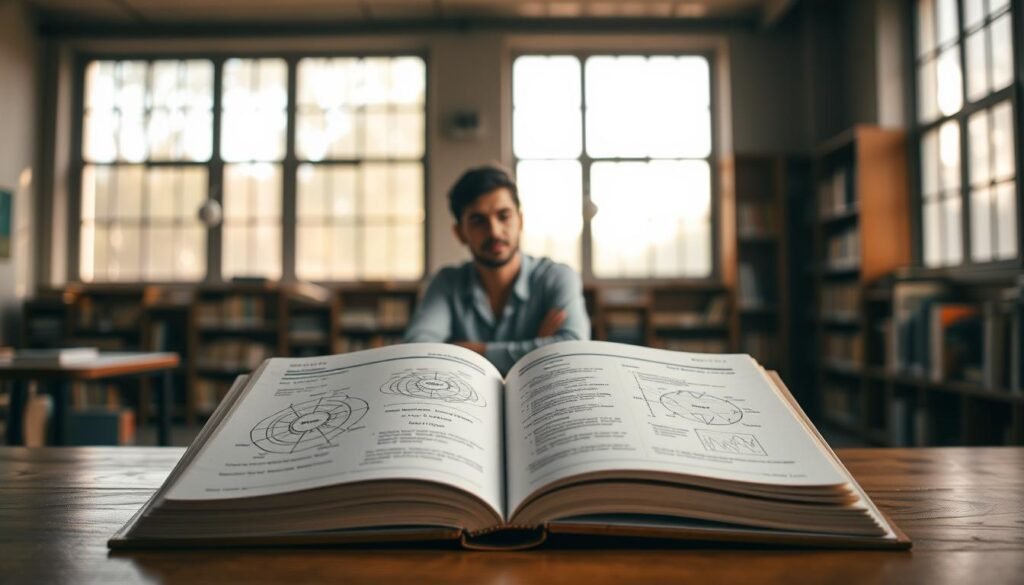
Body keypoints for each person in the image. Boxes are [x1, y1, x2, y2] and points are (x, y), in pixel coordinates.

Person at [402, 165, 590, 375]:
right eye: (478, 220)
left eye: (504, 216)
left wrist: (475, 350)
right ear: (460, 233)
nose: (494, 231)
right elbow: (418, 350)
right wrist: (537, 351)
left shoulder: (556, 277)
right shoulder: (446, 283)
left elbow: (573, 350)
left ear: (520, 221)